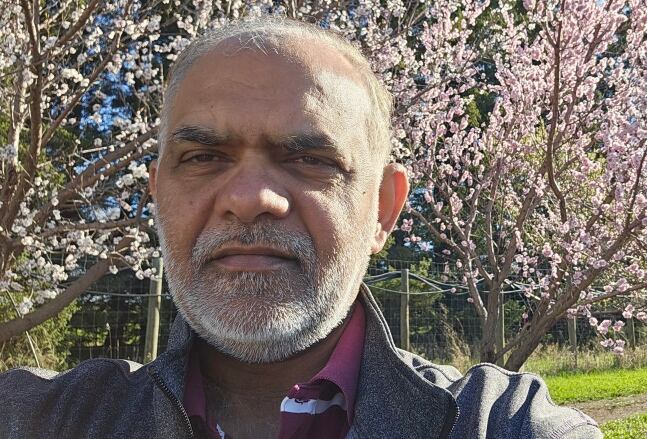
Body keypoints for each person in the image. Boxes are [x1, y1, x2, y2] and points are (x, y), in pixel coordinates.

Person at [0, 16, 601, 439]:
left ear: (384, 209)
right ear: (158, 198)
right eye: (203, 156)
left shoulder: (502, 425)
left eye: (309, 159)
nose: (249, 198)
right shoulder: (36, 417)